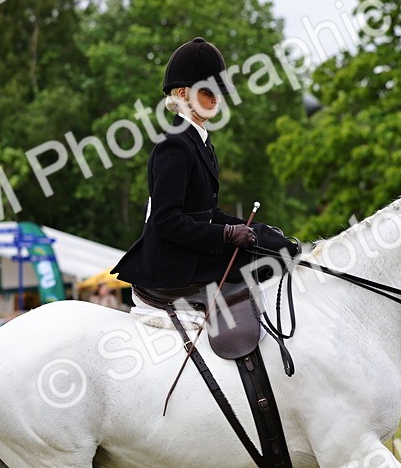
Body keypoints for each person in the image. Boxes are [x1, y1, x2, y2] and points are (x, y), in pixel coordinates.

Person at [113, 37, 299, 293]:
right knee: (271, 256)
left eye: (218, 93)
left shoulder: (200, 141)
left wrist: (252, 228)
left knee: (274, 242)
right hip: (172, 260)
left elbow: (207, 214)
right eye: (207, 92)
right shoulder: (175, 145)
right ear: (182, 94)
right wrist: (226, 235)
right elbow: (165, 220)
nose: (216, 100)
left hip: (191, 249)